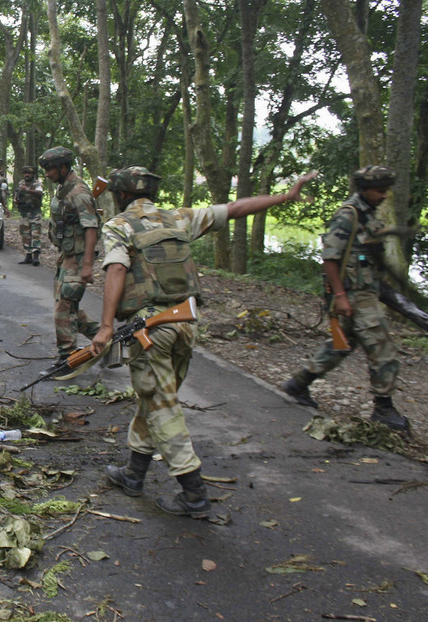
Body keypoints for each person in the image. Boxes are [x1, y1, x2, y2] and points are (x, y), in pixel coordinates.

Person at [91, 166, 318, 519]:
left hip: (150, 329)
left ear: (119, 195)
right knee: (156, 398)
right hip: (185, 324)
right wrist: (286, 196)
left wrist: (105, 327)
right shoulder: (179, 218)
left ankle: (193, 491)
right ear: (150, 193)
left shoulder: (119, 225)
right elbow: (237, 208)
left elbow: (116, 270)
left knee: (161, 405)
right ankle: (134, 473)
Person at [281, 166, 408, 432]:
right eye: (380, 191)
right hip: (353, 294)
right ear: (364, 189)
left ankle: (299, 384)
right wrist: (340, 296)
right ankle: (383, 408)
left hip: (364, 291)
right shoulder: (348, 215)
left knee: (341, 345)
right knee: (382, 347)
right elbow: (329, 259)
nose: (384, 196)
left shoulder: (368, 213)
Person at [38, 147, 100, 359]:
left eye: (50, 169)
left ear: (63, 167)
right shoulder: (65, 188)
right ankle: (104, 339)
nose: (47, 174)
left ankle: (68, 356)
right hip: (67, 257)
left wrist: (87, 266)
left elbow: (91, 228)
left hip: (78, 259)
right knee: (67, 306)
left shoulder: (79, 193)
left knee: (63, 310)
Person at [14, 165, 44, 266]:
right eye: (25, 173)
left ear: (32, 174)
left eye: (29, 173)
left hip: (35, 212)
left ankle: (36, 257)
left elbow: (40, 193)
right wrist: (16, 199)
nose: (27, 175)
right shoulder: (21, 183)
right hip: (24, 213)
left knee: (35, 234)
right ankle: (28, 255)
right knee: (25, 234)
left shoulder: (37, 183)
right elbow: (18, 194)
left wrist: (27, 190)